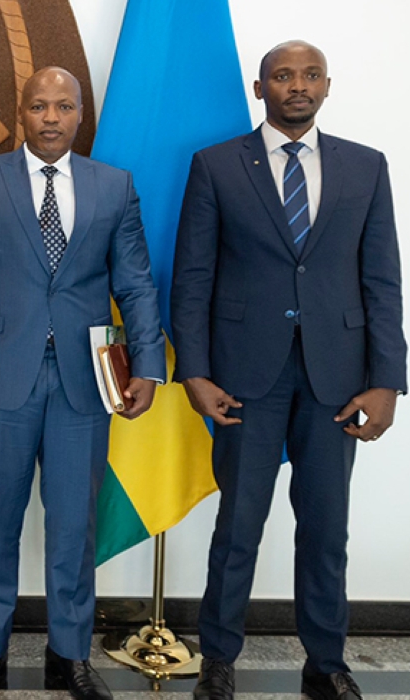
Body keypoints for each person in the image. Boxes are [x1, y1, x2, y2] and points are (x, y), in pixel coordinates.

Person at [172, 41, 406, 700]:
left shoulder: (365, 167)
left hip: (339, 378)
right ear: (259, 87)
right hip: (246, 377)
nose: (295, 86)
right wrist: (193, 371)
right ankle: (217, 659)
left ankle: (325, 663)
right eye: (282, 75)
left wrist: (388, 378)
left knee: (326, 529)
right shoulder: (216, 166)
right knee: (238, 526)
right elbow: (191, 279)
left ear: (326, 86)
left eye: (308, 76)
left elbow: (381, 279)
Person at [0, 67, 165, 700]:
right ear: (22, 113)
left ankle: (70, 657)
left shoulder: (113, 187)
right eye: (40, 106)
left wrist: (147, 365)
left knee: (73, 528)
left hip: (83, 387)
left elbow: (136, 284)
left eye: (64, 106)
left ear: (81, 113)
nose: (52, 117)